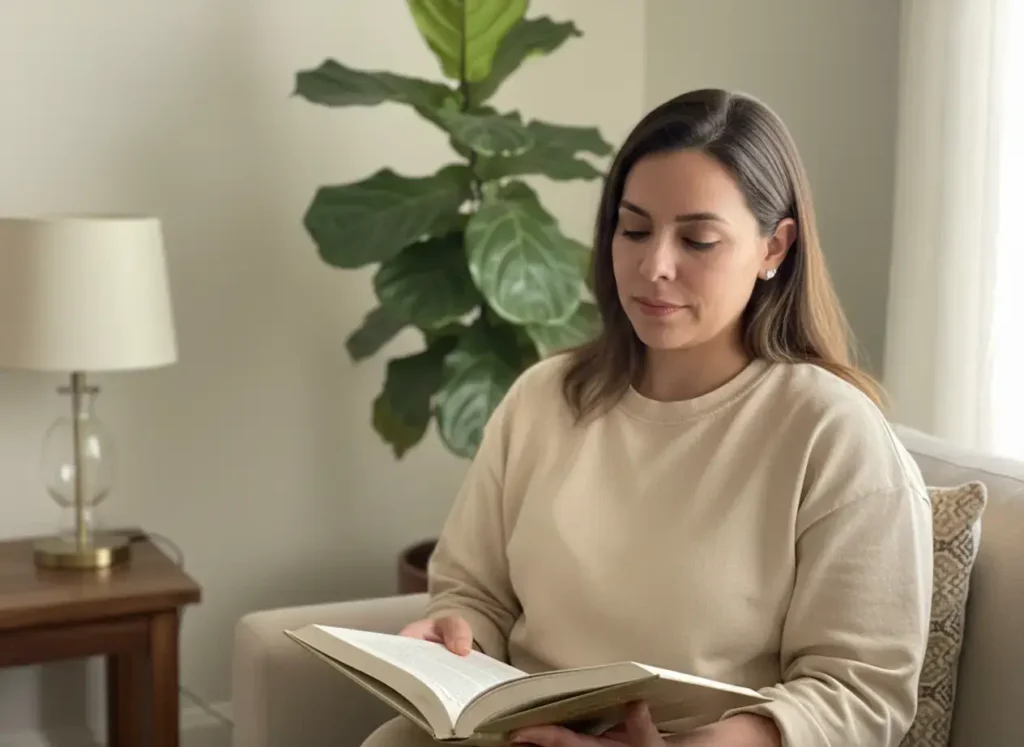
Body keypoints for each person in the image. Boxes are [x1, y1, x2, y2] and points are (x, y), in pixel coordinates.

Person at [362, 89, 933, 747]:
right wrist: (455, 635)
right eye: (633, 230)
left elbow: (858, 693)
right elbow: (475, 594)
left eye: (698, 239)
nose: (654, 265)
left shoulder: (832, 433)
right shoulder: (543, 398)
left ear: (774, 248)